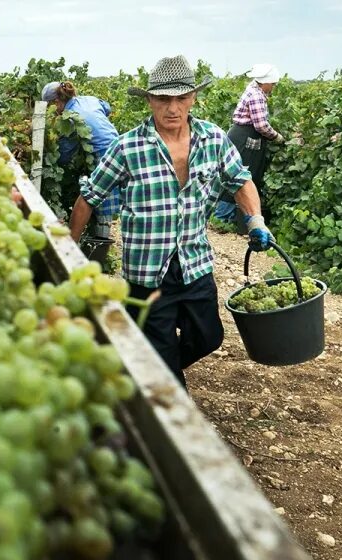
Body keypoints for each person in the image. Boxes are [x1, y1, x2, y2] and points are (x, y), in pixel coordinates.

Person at [67, 55, 275, 387]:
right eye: (163, 99)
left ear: (193, 98)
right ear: (150, 100)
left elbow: (241, 180)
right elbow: (90, 197)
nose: (172, 108)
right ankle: (168, 400)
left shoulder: (213, 139)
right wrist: (70, 248)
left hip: (194, 263)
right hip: (147, 275)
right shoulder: (127, 147)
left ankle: (142, 369)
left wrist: (256, 221)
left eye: (181, 98)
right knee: (165, 367)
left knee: (209, 337)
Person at [41, 81, 120, 238]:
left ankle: (99, 245)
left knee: (97, 199)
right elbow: (107, 107)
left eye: (49, 107)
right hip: (118, 145)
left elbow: (65, 152)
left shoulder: (68, 120)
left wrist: (56, 165)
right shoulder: (89, 99)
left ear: (56, 102)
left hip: (102, 153)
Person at [213, 63, 285, 223]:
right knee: (238, 176)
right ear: (265, 82)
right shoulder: (257, 96)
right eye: (272, 84)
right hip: (244, 138)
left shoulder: (253, 88)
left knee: (237, 175)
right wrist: (276, 136)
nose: (273, 87)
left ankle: (229, 219)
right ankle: (222, 218)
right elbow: (261, 125)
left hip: (243, 135)